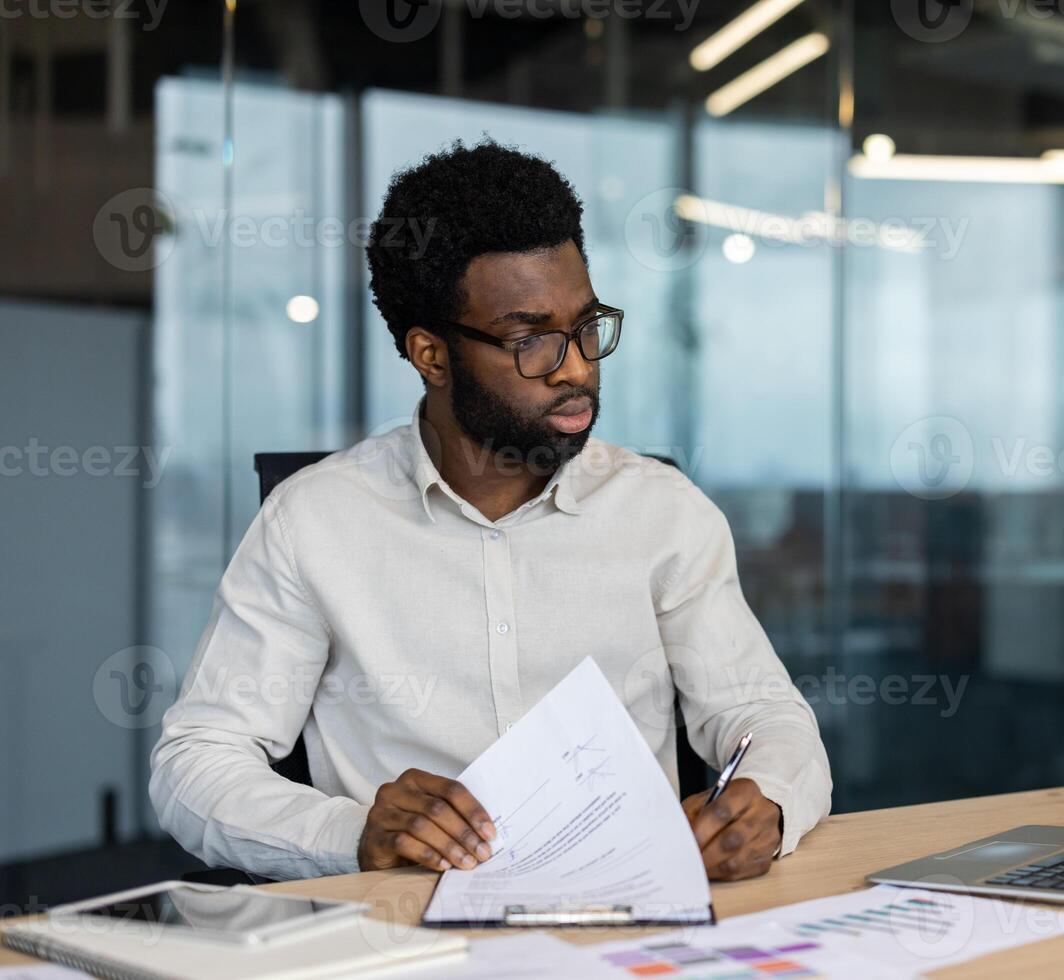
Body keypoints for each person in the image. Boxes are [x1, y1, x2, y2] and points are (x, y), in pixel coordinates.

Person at [150, 138, 831, 881]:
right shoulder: (313, 523)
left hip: (625, 924)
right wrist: (351, 834)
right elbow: (195, 764)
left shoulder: (662, 514)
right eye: (531, 339)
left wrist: (769, 802)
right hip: (406, 939)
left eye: (586, 326)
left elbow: (766, 718)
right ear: (431, 355)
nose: (575, 366)